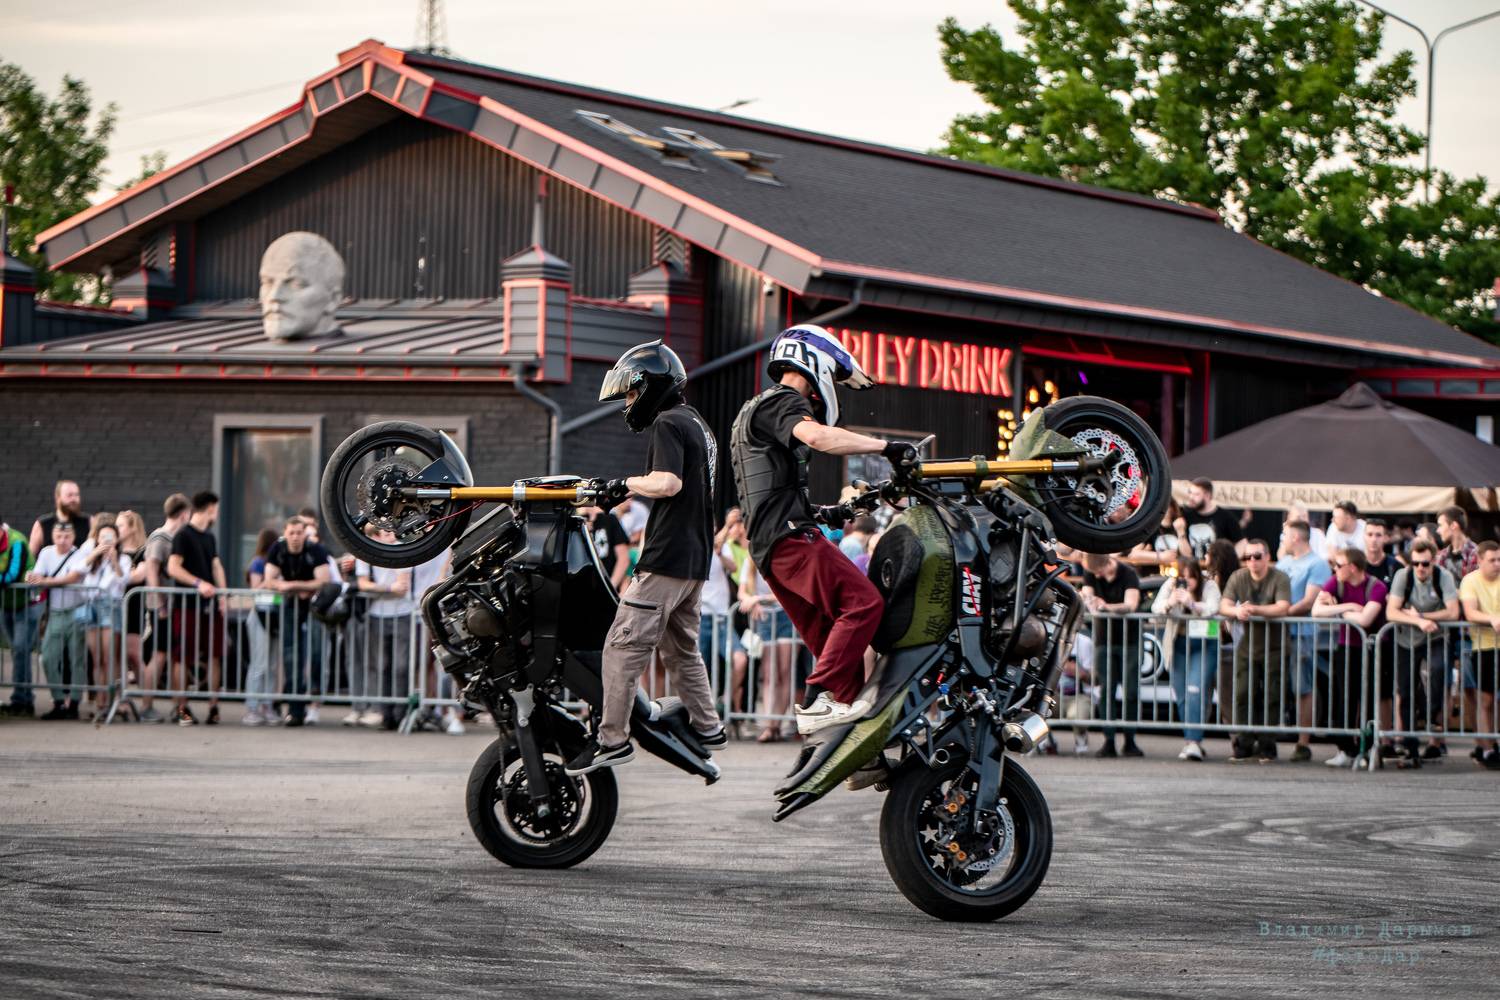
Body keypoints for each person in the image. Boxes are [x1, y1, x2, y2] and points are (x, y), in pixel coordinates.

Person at [727, 324, 903, 739]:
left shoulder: (755, 410)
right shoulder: (784, 400)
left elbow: (772, 495)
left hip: (772, 547)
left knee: (831, 642)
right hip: (790, 541)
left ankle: (848, 741)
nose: (832, 390)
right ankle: (818, 698)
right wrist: (887, 448)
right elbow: (819, 436)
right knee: (864, 604)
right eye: (835, 377)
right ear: (816, 360)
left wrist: (835, 511)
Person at [567, 341, 726, 775]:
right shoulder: (698, 424)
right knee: (682, 650)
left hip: (665, 558)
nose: (629, 404)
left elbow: (668, 483)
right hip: (694, 560)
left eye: (632, 393)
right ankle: (709, 728)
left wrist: (622, 484)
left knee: (621, 647)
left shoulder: (668, 422)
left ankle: (612, 739)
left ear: (650, 385)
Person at [1385, 539, 1459, 761]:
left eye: (1425, 563)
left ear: (1434, 561)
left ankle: (1431, 715)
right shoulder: (1403, 576)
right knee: (1405, 689)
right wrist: (1417, 621)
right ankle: (1410, 744)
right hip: (1406, 638)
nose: (1420, 568)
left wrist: (1423, 616)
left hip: (1435, 636)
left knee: (1438, 669)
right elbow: (1391, 612)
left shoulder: (1443, 576)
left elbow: (1453, 612)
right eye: (1415, 563)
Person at [1312, 548, 1387, 768]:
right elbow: (1316, 612)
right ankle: (1345, 748)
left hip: (1372, 648)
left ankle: (1368, 748)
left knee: (1369, 699)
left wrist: (1337, 610)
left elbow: (1365, 619)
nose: (1335, 569)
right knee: (1343, 697)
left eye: (1339, 565)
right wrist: (1348, 606)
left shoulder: (1377, 587)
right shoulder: (1336, 582)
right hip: (1346, 647)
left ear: (1352, 567)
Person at [1219, 539, 1292, 763]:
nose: (1252, 561)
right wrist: (1236, 611)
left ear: (1267, 557)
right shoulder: (1238, 576)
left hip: (1275, 647)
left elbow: (1283, 607)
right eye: (1247, 557)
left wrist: (1253, 610)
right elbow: (1224, 605)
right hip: (1247, 646)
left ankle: (1267, 745)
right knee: (1242, 693)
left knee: (1272, 696)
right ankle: (1243, 744)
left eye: (1257, 556)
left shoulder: (1279, 578)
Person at [262, 515, 331, 727]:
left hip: (315, 607)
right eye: (291, 533)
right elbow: (269, 580)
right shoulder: (277, 549)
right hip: (290, 607)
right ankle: (295, 710)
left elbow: (324, 580)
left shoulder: (315, 550)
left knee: (317, 654)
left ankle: (314, 702)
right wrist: (296, 587)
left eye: (299, 533)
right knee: (291, 657)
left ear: (304, 534)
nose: (295, 537)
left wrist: (292, 586)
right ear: (285, 533)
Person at [166, 492, 228, 726]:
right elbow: (173, 567)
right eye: (216, 508)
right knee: (183, 656)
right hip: (187, 606)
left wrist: (223, 596)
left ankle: (214, 707)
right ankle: (182, 708)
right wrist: (198, 583)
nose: (217, 513)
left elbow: (216, 565)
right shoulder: (183, 535)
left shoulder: (209, 537)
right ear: (210, 508)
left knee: (215, 655)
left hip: (210, 607)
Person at [1150, 556, 1220, 761]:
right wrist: (1170, 603)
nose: (1186, 582)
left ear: (1198, 575)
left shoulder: (1209, 585)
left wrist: (1193, 604)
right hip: (1178, 643)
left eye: (1191, 578)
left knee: (1195, 690)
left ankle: (1194, 741)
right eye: (1183, 578)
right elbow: (1155, 608)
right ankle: (1191, 741)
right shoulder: (1171, 585)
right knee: (1182, 694)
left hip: (1204, 643)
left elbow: (1213, 607)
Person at [1278, 520, 1333, 763]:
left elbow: (1309, 601)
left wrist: (1279, 613)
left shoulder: (1317, 564)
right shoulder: (1284, 562)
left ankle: (1303, 742)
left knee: (1303, 686)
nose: (1283, 539)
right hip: (1279, 633)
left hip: (1302, 633)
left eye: (1285, 535)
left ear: (1296, 537)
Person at [1080, 551, 1144, 758]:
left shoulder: (1128, 574)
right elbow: (1087, 596)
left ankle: (1130, 740)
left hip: (1129, 640)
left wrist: (1105, 606)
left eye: (1098, 571)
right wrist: (1090, 600)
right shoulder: (1091, 574)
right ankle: (1109, 740)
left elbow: (1131, 604)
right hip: (1103, 639)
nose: (1096, 576)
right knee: (1106, 690)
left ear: (1106, 563)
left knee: (1131, 691)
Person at [135, 494, 190, 724]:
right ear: (184, 514)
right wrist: (159, 603)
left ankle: (178, 706)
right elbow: (151, 571)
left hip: (170, 606)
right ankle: (146, 706)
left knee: (171, 655)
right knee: (159, 655)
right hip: (161, 607)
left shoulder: (173, 538)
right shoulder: (160, 538)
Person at [355, 532, 416, 730]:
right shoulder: (367, 552)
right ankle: (385, 714)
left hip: (402, 613)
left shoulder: (401, 549)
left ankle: (400, 713)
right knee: (382, 666)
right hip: (377, 614)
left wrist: (379, 588)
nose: (388, 535)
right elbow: (363, 584)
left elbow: (402, 585)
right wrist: (388, 588)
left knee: (401, 666)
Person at [26, 521, 87, 718]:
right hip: (56, 612)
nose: (62, 541)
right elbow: (37, 575)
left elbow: (72, 577)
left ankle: (74, 703)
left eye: (67, 537)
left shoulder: (79, 554)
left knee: (77, 659)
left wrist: (44, 581)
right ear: (52, 537)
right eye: (59, 536)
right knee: (48, 656)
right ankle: (59, 700)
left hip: (76, 611)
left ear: (73, 537)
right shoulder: (46, 553)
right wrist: (32, 577)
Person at [698, 516, 749, 737]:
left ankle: (726, 700)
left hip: (721, 619)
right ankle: (702, 716)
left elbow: (734, 567)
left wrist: (718, 552)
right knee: (699, 669)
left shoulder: (720, 548)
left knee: (740, 659)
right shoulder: (693, 548)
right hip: (701, 619)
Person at [740, 557, 798, 742]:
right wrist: (753, 602)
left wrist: (758, 598)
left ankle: (776, 725)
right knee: (769, 673)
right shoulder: (750, 561)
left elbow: (788, 590)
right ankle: (769, 724)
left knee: (785, 671)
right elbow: (742, 592)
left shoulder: (781, 557)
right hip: (764, 617)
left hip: (787, 615)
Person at [80, 520, 130, 718]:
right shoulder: (90, 557)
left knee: (110, 657)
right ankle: (100, 702)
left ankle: (113, 700)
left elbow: (123, 580)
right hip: (91, 606)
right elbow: (77, 570)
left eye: (110, 537)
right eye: (103, 537)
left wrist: (114, 560)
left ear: (117, 539)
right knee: (97, 658)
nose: (107, 541)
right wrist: (95, 555)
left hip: (111, 606)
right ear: (97, 539)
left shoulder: (123, 558)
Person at [1458, 541, 1500, 770]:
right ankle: (1488, 748)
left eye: (1499, 559)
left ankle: (1494, 742)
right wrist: (1491, 618)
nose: (1497, 564)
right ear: (1480, 560)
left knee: (1496, 700)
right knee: (1486, 699)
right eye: (1492, 560)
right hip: (1482, 646)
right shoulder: (1470, 580)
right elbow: (1470, 612)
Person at [242, 528, 283, 726]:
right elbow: (255, 589)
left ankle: (267, 705)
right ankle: (252, 707)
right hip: (260, 614)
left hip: (275, 614)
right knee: (259, 664)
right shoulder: (258, 562)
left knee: (272, 664)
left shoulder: (279, 562)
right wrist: (271, 581)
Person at [1, 516, 38, 717]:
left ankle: (21, 699)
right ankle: (23, 697)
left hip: (28, 602)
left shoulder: (17, 542)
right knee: (18, 651)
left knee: (20, 648)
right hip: (6, 603)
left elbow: (12, 575)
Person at [1179, 478, 1241, 559]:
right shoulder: (1186, 515)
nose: (1191, 497)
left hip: (1216, 565)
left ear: (1207, 495)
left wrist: (1231, 561)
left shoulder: (1225, 516)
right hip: (1193, 565)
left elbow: (1242, 541)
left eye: (1196, 494)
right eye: (1190, 493)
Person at [28, 480, 90, 557]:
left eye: (76, 495)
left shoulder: (88, 521)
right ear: (58, 498)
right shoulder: (43, 524)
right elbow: (30, 557)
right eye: (69, 495)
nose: (74, 499)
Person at [587, 505, 632, 592]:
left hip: (606, 585)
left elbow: (624, 558)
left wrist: (610, 588)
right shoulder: (572, 522)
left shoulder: (609, 519)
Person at [1437, 506, 1479, 581]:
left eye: (1440, 525)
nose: (1438, 530)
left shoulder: (1475, 553)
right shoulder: (1443, 555)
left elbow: (1474, 585)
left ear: (1453, 525)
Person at [1362, 519, 1401, 586]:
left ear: (1385, 538)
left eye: (1378, 535)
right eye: (1370, 534)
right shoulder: (1355, 565)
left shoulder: (1395, 566)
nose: (1374, 539)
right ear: (1364, 536)